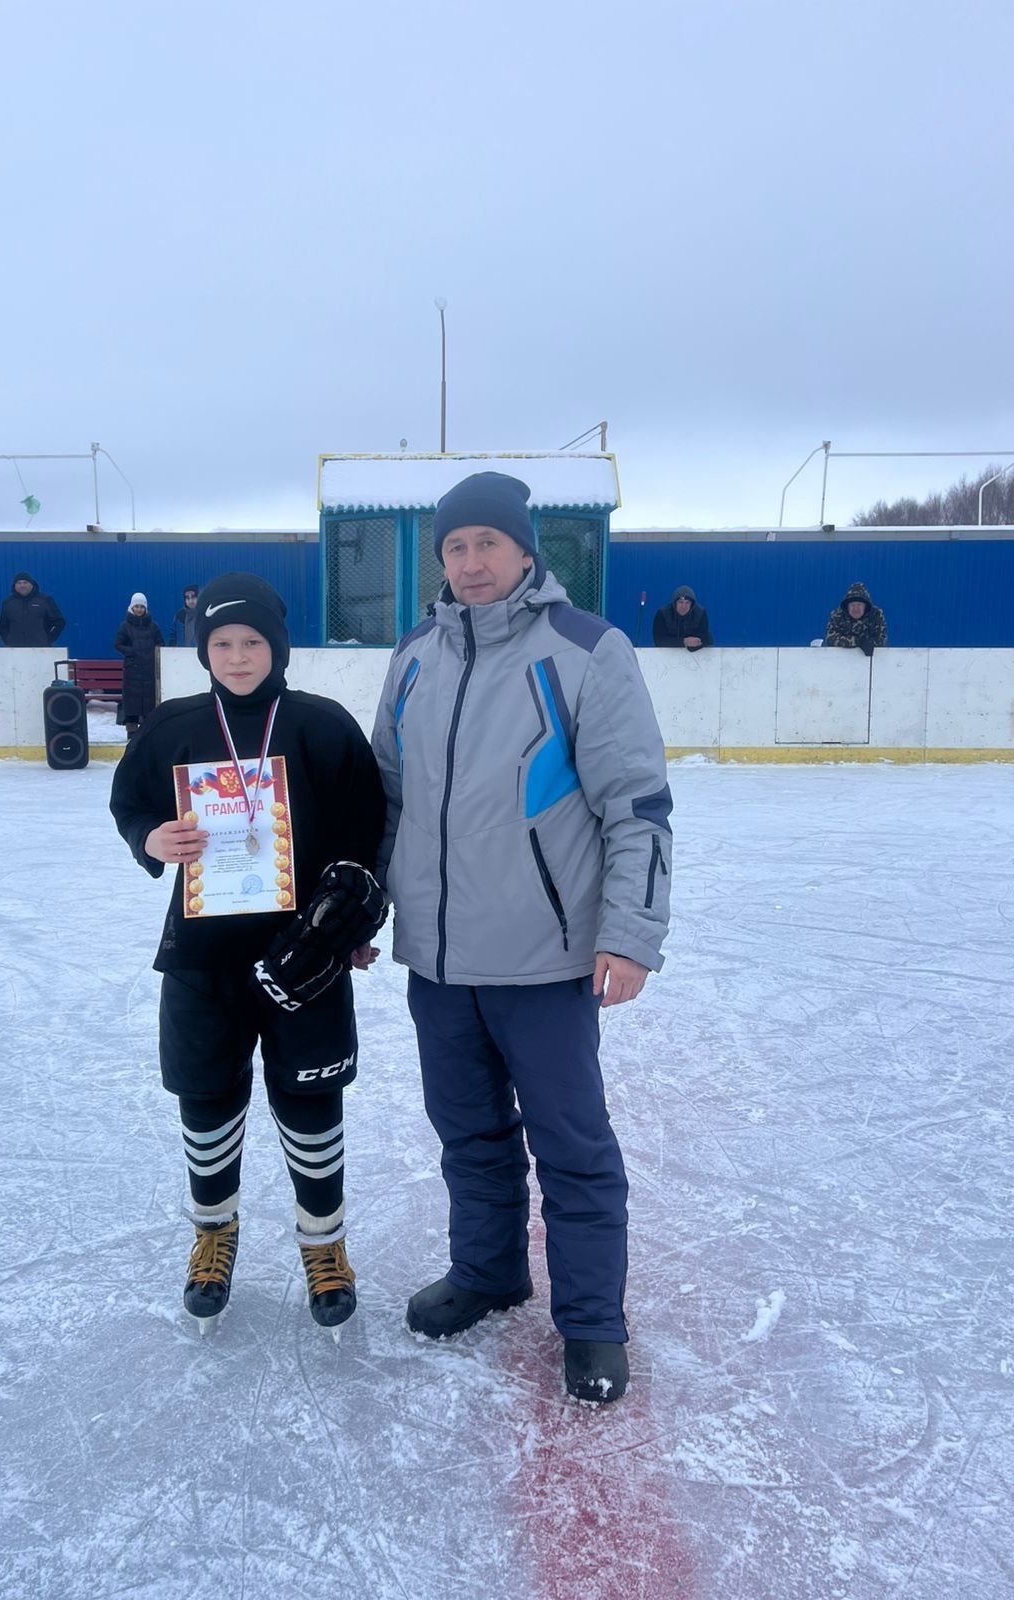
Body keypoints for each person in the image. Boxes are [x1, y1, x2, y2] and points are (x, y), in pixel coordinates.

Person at [371, 471, 673, 1405]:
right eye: (453, 548)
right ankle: (490, 1271)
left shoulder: (587, 649)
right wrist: (367, 912)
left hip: (547, 961)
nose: (469, 563)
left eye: (486, 545)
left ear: (524, 549)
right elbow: (387, 797)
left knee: (573, 1145)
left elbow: (638, 807)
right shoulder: (415, 652)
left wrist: (630, 934)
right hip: (440, 958)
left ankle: (590, 1324)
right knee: (468, 1135)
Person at [110, 573, 387, 1334]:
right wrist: (150, 838)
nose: (237, 657)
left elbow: (365, 833)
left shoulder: (323, 726)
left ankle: (324, 1249)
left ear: (278, 646)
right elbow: (129, 801)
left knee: (309, 1100)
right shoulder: (172, 725)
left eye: (253, 642)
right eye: (222, 643)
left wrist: (350, 928)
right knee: (207, 1101)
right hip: (202, 958)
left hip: (306, 957)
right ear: (204, 649)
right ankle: (213, 1237)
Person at [114, 592, 165, 735]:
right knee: (132, 702)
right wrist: (132, 652)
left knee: (149, 702)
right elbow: (118, 644)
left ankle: (148, 729)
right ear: (131, 607)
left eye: (142, 607)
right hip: (132, 671)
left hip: (149, 670)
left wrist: (153, 654)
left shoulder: (153, 626)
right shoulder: (125, 626)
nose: (139, 609)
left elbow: (161, 644)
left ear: (145, 608)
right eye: (136, 606)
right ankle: (131, 730)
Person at [0, 572, 66, 647]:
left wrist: (48, 639)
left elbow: (59, 622)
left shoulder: (44, 600)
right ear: (15, 586)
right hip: (15, 649)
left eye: (25, 582)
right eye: (19, 583)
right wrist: (8, 640)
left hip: (41, 648)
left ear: (32, 584)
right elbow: (3, 625)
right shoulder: (7, 603)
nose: (22, 585)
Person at [824, 582, 887, 655]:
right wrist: (858, 642)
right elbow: (830, 639)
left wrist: (870, 643)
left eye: (859, 605)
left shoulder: (876, 616)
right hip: (840, 659)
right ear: (847, 606)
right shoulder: (837, 616)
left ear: (865, 606)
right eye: (852, 605)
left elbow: (882, 639)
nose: (856, 608)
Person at [652, 585, 713, 650]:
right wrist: (684, 642)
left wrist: (692, 647)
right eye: (680, 602)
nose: (683, 607)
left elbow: (705, 639)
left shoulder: (700, 613)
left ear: (692, 604)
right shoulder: (662, 614)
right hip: (666, 653)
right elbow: (659, 640)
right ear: (675, 603)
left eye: (687, 603)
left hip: (695, 656)